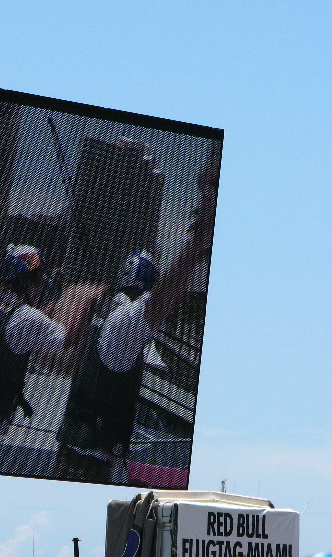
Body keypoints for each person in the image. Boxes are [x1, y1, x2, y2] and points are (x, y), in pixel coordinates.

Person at [55, 156, 220, 482]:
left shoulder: (105, 313)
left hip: (75, 456)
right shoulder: (124, 326)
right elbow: (160, 303)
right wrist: (194, 248)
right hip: (88, 468)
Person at [0, 244, 96, 471]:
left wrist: (45, 312)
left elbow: (18, 330)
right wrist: (87, 300)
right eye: (36, 279)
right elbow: (68, 339)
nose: (40, 285)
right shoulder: (27, 317)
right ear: (24, 280)